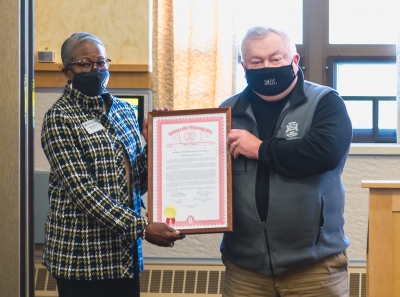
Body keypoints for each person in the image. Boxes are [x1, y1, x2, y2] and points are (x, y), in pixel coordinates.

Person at [40, 32, 185, 297]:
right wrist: (141, 227)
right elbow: (83, 192)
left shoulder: (124, 111)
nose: (95, 70)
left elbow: (137, 182)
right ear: (67, 71)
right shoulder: (59, 119)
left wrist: (155, 144)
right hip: (81, 258)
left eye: (101, 62)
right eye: (85, 63)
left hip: (123, 256)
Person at [219, 26, 352, 296]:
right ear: (244, 67)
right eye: (256, 62)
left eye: (275, 58)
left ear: (294, 60)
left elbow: (324, 152)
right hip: (245, 270)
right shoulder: (226, 113)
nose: (266, 66)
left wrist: (260, 149)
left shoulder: (325, 102)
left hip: (314, 268)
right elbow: (201, 173)